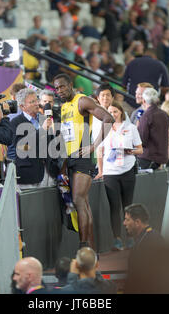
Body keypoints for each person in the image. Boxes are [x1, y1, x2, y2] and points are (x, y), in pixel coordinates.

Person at [54, 73, 114, 249]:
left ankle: (83, 247)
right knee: (83, 202)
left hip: (83, 158)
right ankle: (90, 249)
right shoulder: (64, 107)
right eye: (56, 88)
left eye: (62, 86)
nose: (59, 91)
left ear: (70, 85)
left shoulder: (82, 101)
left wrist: (94, 146)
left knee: (79, 200)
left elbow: (108, 119)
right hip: (69, 159)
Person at [94, 102, 142, 250]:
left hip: (127, 170)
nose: (113, 114)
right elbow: (99, 151)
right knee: (114, 206)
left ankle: (130, 238)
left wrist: (131, 151)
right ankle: (117, 239)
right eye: (110, 112)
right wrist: (101, 171)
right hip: (110, 172)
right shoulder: (104, 129)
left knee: (128, 206)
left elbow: (140, 149)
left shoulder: (131, 128)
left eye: (115, 111)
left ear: (121, 112)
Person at [10, 88, 58, 189]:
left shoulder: (44, 119)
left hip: (49, 173)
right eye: (32, 102)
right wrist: (42, 130)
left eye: (36, 100)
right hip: (28, 175)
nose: (37, 103)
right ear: (22, 106)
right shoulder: (15, 123)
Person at [123, 203, 167, 293]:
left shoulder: (148, 243)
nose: (124, 223)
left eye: (127, 220)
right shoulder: (150, 238)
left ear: (137, 222)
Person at [136, 87, 169, 170]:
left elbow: (141, 141)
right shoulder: (165, 115)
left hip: (148, 158)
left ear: (144, 101)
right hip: (162, 157)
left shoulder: (146, 116)